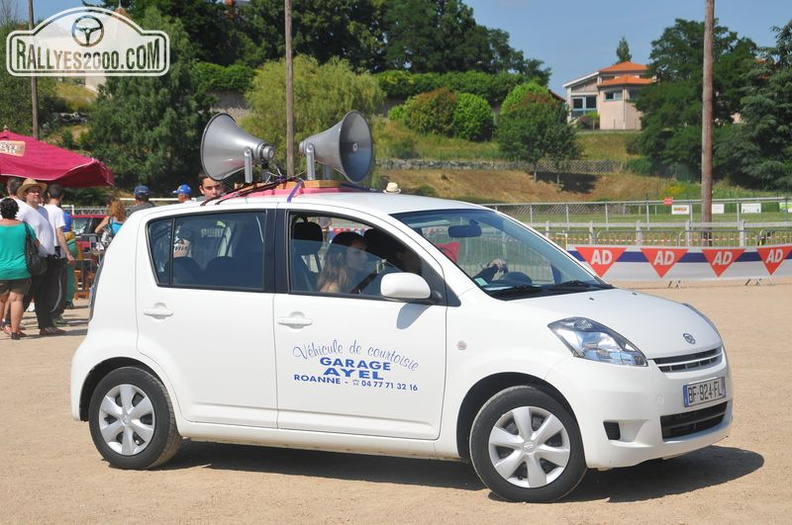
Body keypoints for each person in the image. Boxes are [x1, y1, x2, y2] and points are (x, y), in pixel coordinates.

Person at [11, 178, 65, 336]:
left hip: (47, 256)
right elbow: (17, 230)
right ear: (25, 194)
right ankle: (13, 325)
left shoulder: (43, 210)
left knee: (44, 294)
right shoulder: (22, 211)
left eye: (38, 190)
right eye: (32, 191)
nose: (36, 193)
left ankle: (46, 325)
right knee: (27, 293)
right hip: (34, 257)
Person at [0, 198, 32, 339]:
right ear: (16, 211)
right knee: (17, 300)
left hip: (1, 269)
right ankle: (14, 331)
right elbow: (36, 244)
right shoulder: (25, 227)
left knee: (1, 300)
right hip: (21, 268)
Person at [43, 184, 75, 324]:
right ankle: (55, 313)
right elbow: (60, 233)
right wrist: (68, 252)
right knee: (59, 284)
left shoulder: (41, 209)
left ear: (48, 195)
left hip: (44, 249)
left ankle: (46, 312)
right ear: (61, 196)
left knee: (46, 284)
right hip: (57, 250)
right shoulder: (58, 212)